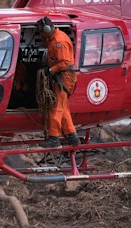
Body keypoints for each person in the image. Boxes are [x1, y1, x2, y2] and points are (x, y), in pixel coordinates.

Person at [37, 17, 80, 148]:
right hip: (60, 75)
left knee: (56, 107)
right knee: (64, 107)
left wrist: (51, 70)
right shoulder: (52, 39)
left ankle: (54, 138)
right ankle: (72, 137)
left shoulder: (59, 41)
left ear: (47, 30)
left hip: (64, 76)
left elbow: (65, 62)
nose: (41, 35)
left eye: (42, 32)